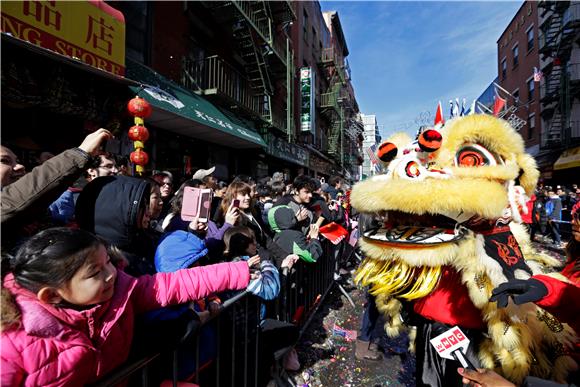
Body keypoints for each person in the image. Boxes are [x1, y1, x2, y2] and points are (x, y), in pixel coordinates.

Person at [0, 227, 252, 386]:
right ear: (52, 295)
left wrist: (238, 270)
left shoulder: (121, 290)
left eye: (108, 261)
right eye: (95, 272)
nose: (112, 273)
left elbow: (173, 284)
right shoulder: (11, 343)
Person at [1, 129, 112, 249]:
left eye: (17, 161)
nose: (20, 166)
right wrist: (80, 153)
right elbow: (8, 203)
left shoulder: (42, 213)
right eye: (4, 161)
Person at [75, 175, 157, 276]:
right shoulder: (109, 267)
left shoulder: (143, 240)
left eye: (147, 205)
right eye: (142, 207)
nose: (148, 213)